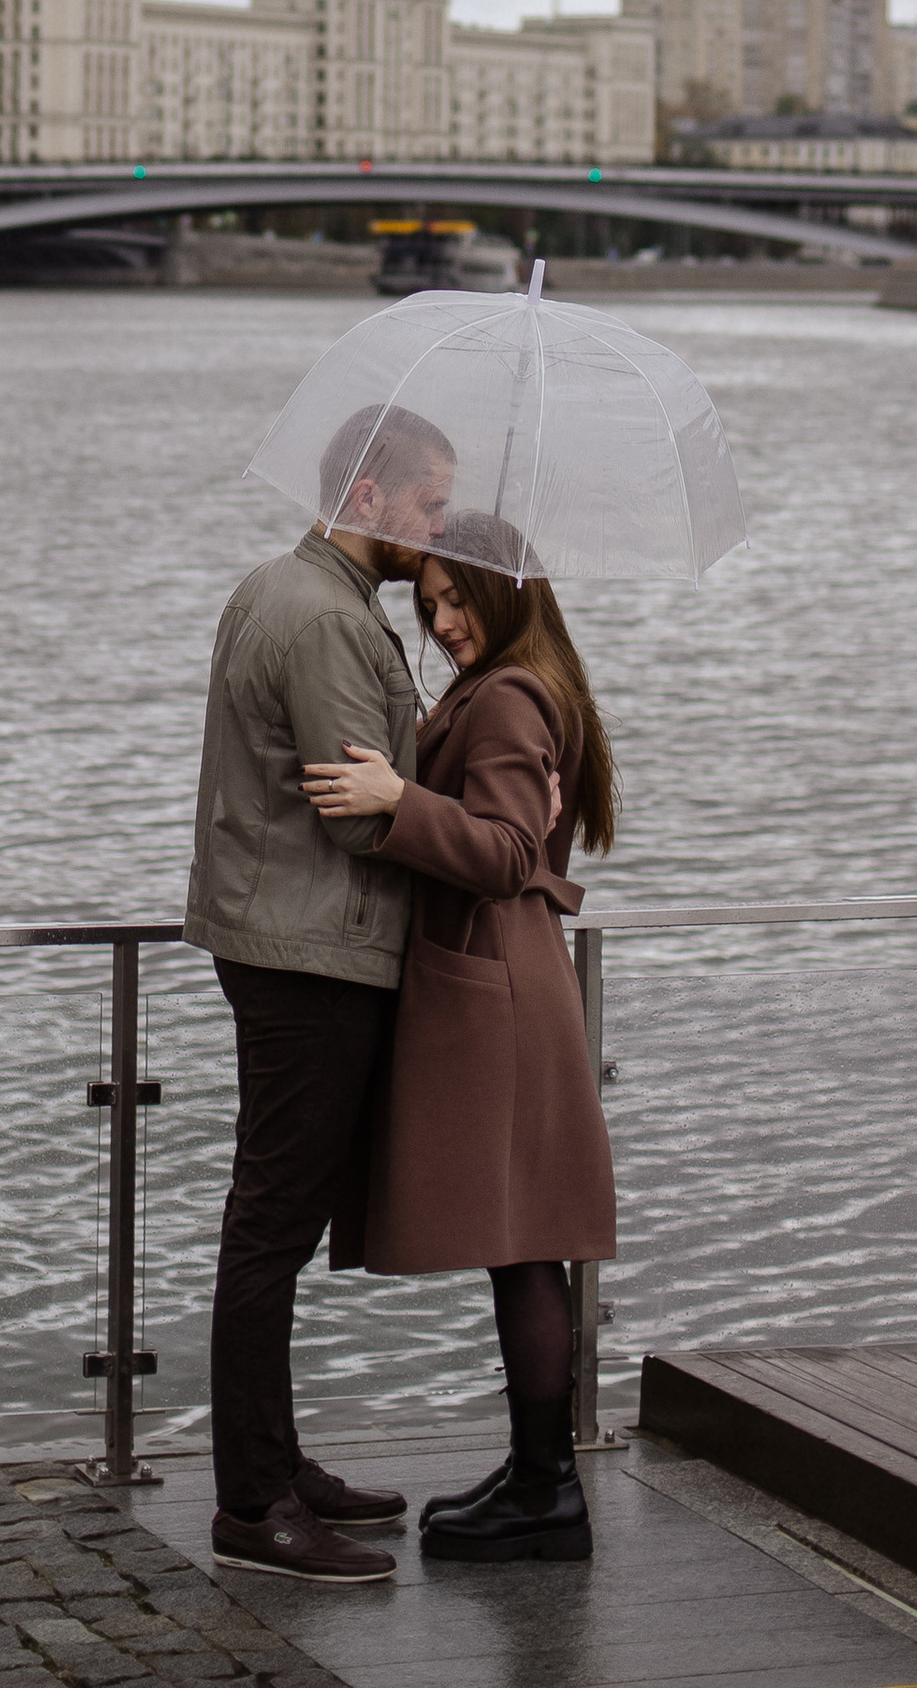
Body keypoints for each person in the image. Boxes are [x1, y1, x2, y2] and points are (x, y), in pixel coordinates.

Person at [304, 524, 618, 1566]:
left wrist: (400, 802)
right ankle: (536, 1473)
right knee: (518, 1242)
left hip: (502, 988)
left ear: (508, 590)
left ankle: (548, 1490)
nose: (442, 622)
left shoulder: (512, 694)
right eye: (429, 603)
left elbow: (508, 851)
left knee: (523, 1243)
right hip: (508, 975)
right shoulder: (510, 685)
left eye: (457, 599)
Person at [182, 401, 456, 1582]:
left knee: (272, 1223)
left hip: (277, 935)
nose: (437, 529)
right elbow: (358, 814)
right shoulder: (332, 621)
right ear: (367, 494)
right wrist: (456, 798)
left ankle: (278, 1467)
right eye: (429, 504)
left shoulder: (278, 589)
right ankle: (254, 1505)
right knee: (271, 1227)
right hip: (311, 951)